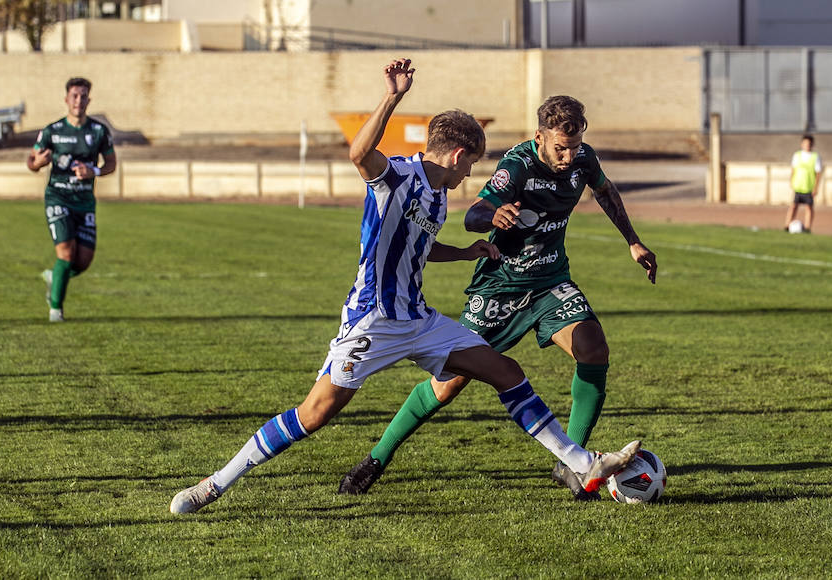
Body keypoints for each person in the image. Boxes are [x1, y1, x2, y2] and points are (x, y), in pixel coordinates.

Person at [169, 59, 640, 515]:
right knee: (313, 415)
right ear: (457, 155)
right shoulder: (397, 177)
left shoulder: (436, 199)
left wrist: (464, 252)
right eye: (470, 165)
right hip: (372, 320)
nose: (468, 177)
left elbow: (422, 248)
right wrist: (391, 98)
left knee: (506, 371)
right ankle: (214, 484)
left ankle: (583, 463)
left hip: (418, 319)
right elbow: (358, 154)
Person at [338, 95, 658, 501]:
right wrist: (493, 215)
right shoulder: (517, 165)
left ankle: (572, 465)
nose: (568, 156)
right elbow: (473, 215)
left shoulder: (583, 159)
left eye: (575, 146)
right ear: (539, 136)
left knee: (593, 348)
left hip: (550, 280)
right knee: (447, 385)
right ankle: (377, 458)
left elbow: (606, 191)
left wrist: (633, 241)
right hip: (501, 285)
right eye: (560, 148)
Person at [26, 77, 118, 322]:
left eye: (83, 96)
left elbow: (111, 164)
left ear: (89, 100)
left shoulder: (98, 132)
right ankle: (56, 310)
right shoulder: (52, 131)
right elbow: (31, 161)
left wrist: (94, 171)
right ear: (66, 99)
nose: (79, 100)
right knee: (66, 253)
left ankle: (53, 277)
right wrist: (39, 163)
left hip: (85, 201)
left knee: (83, 261)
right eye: (74, 96)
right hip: (58, 197)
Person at [784, 134, 822, 233]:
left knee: (809, 207)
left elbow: (818, 173)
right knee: (793, 206)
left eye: (809, 143)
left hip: (808, 186)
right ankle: (787, 225)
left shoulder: (815, 157)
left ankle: (807, 227)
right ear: (802, 144)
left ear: (812, 144)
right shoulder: (797, 155)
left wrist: (815, 187)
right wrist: (791, 181)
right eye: (805, 143)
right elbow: (793, 169)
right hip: (798, 186)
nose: (807, 145)